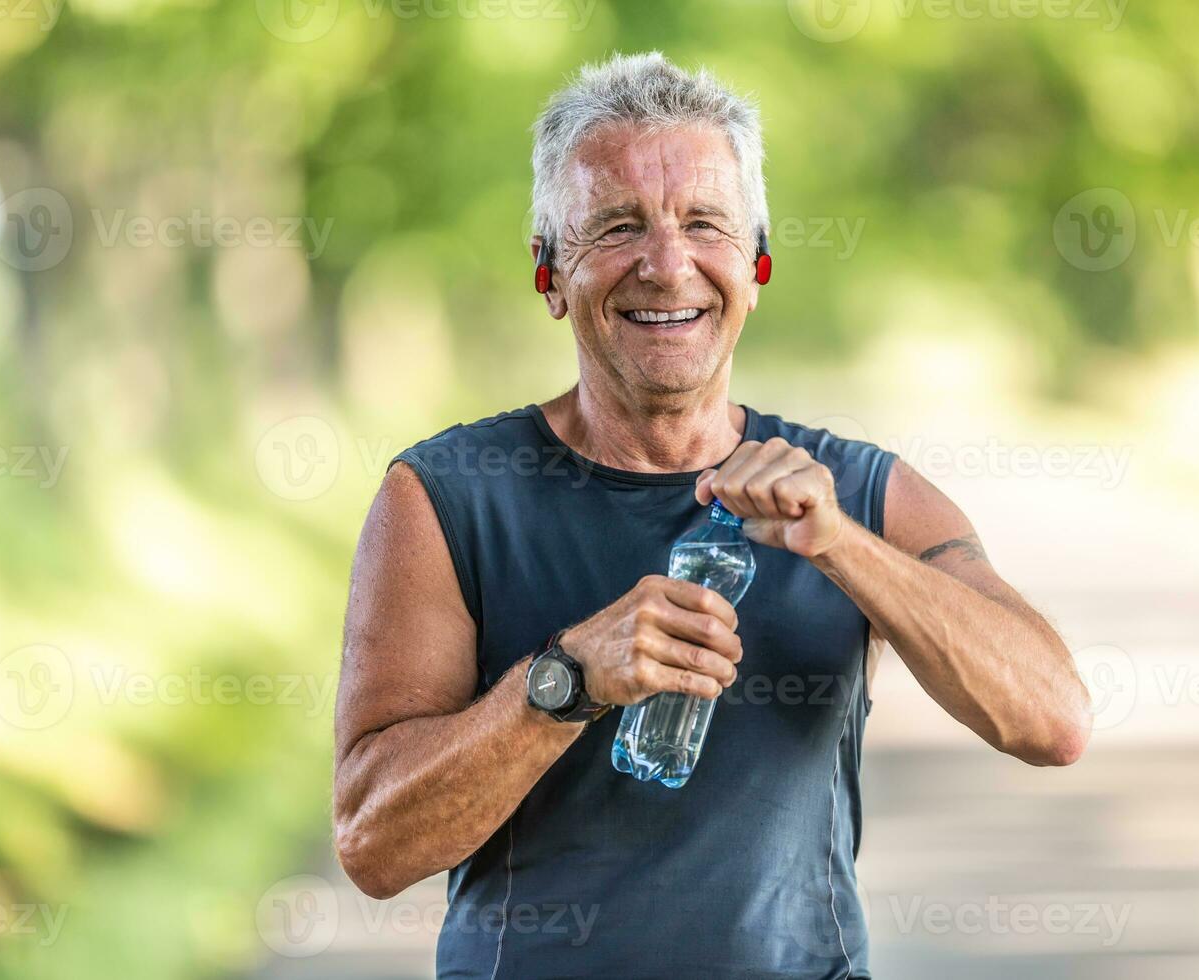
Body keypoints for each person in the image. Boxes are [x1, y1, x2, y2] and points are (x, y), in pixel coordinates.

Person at [332, 51, 1091, 980]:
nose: (665, 263)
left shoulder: (862, 493)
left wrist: (841, 547)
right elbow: (374, 844)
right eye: (617, 227)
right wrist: (568, 680)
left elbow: (1052, 722)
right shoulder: (445, 499)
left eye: (705, 224)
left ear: (758, 262)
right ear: (549, 274)